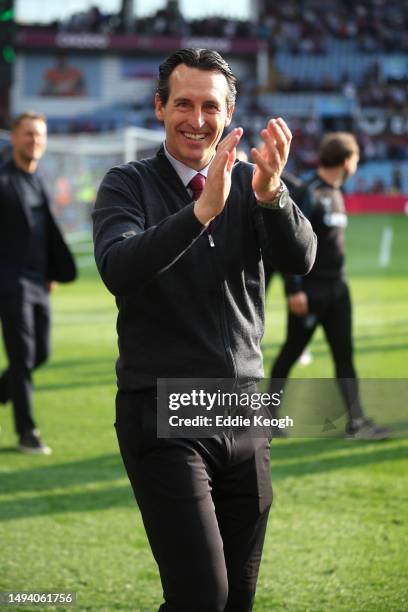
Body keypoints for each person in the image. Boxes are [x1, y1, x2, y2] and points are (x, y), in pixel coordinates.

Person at [93, 48, 316, 611]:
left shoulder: (252, 183)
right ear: (160, 107)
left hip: (244, 412)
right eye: (183, 104)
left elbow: (303, 258)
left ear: (229, 112)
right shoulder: (127, 184)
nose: (197, 118)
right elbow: (119, 269)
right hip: (164, 414)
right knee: (201, 595)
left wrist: (274, 196)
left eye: (210, 106)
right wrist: (198, 215)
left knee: (237, 598)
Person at [268, 132, 390, 440]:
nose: (357, 164)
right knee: (291, 353)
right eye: (357, 159)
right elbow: (288, 242)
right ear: (347, 160)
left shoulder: (337, 192)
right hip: (311, 292)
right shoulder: (309, 192)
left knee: (344, 356)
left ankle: (356, 422)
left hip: (338, 290)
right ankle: (267, 416)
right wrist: (293, 289)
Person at [0, 112, 77, 454]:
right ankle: (27, 432)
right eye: (29, 134)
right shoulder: (3, 180)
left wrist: (50, 271)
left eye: (40, 135)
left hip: (39, 281)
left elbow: (44, 231)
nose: (35, 141)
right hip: (10, 282)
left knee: (40, 352)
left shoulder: (41, 179)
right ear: (14, 137)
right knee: (22, 356)